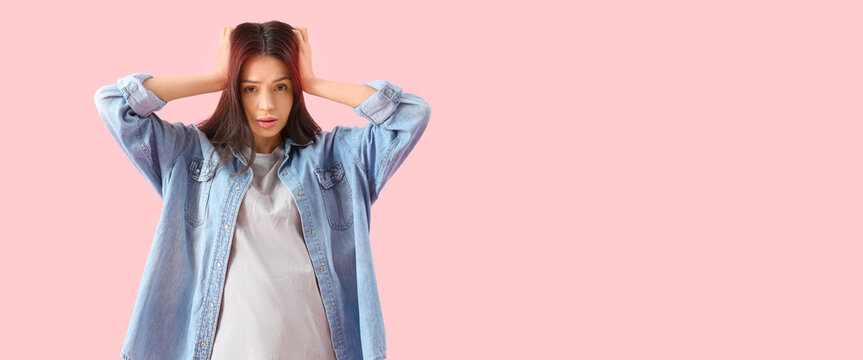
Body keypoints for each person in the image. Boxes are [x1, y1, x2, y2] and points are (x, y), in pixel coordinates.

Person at [94, 21, 431, 360]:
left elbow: (410, 115)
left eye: (281, 87)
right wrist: (216, 78)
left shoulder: (339, 159)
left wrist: (313, 82)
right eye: (250, 89)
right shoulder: (190, 156)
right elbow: (114, 104)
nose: (267, 105)